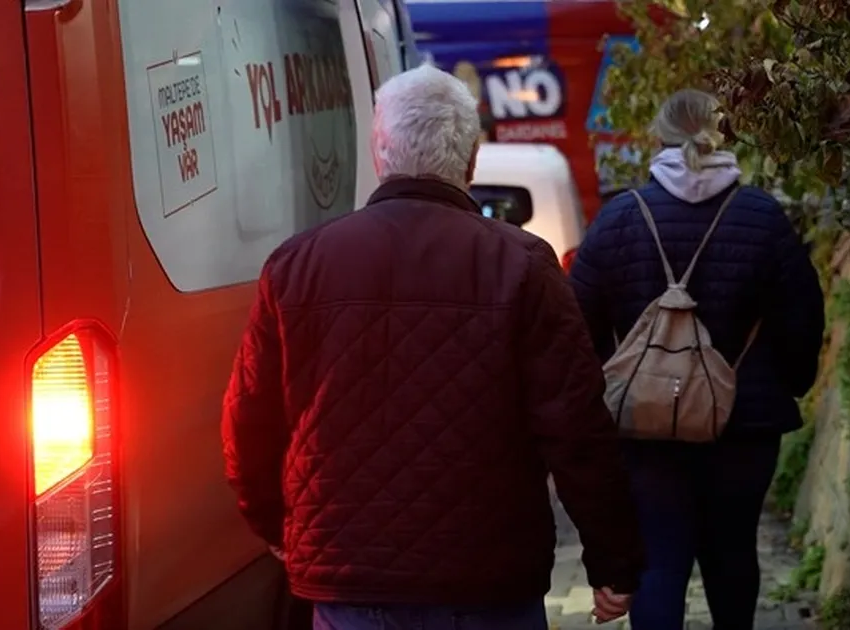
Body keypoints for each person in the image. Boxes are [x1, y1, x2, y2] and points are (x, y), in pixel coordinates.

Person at [222, 63, 644, 630]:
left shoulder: (296, 268)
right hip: (489, 579)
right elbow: (577, 428)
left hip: (349, 577)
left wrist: (280, 526)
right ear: (471, 161)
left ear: (379, 154)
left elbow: (248, 425)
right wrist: (612, 561)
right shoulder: (522, 266)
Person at [568, 88, 825, 629]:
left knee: (658, 557)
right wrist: (789, 385)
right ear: (721, 137)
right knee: (732, 552)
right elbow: (802, 317)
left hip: (645, 426)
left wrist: (605, 391)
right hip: (745, 425)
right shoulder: (763, 218)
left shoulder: (619, 218)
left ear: (658, 139)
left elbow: (575, 324)